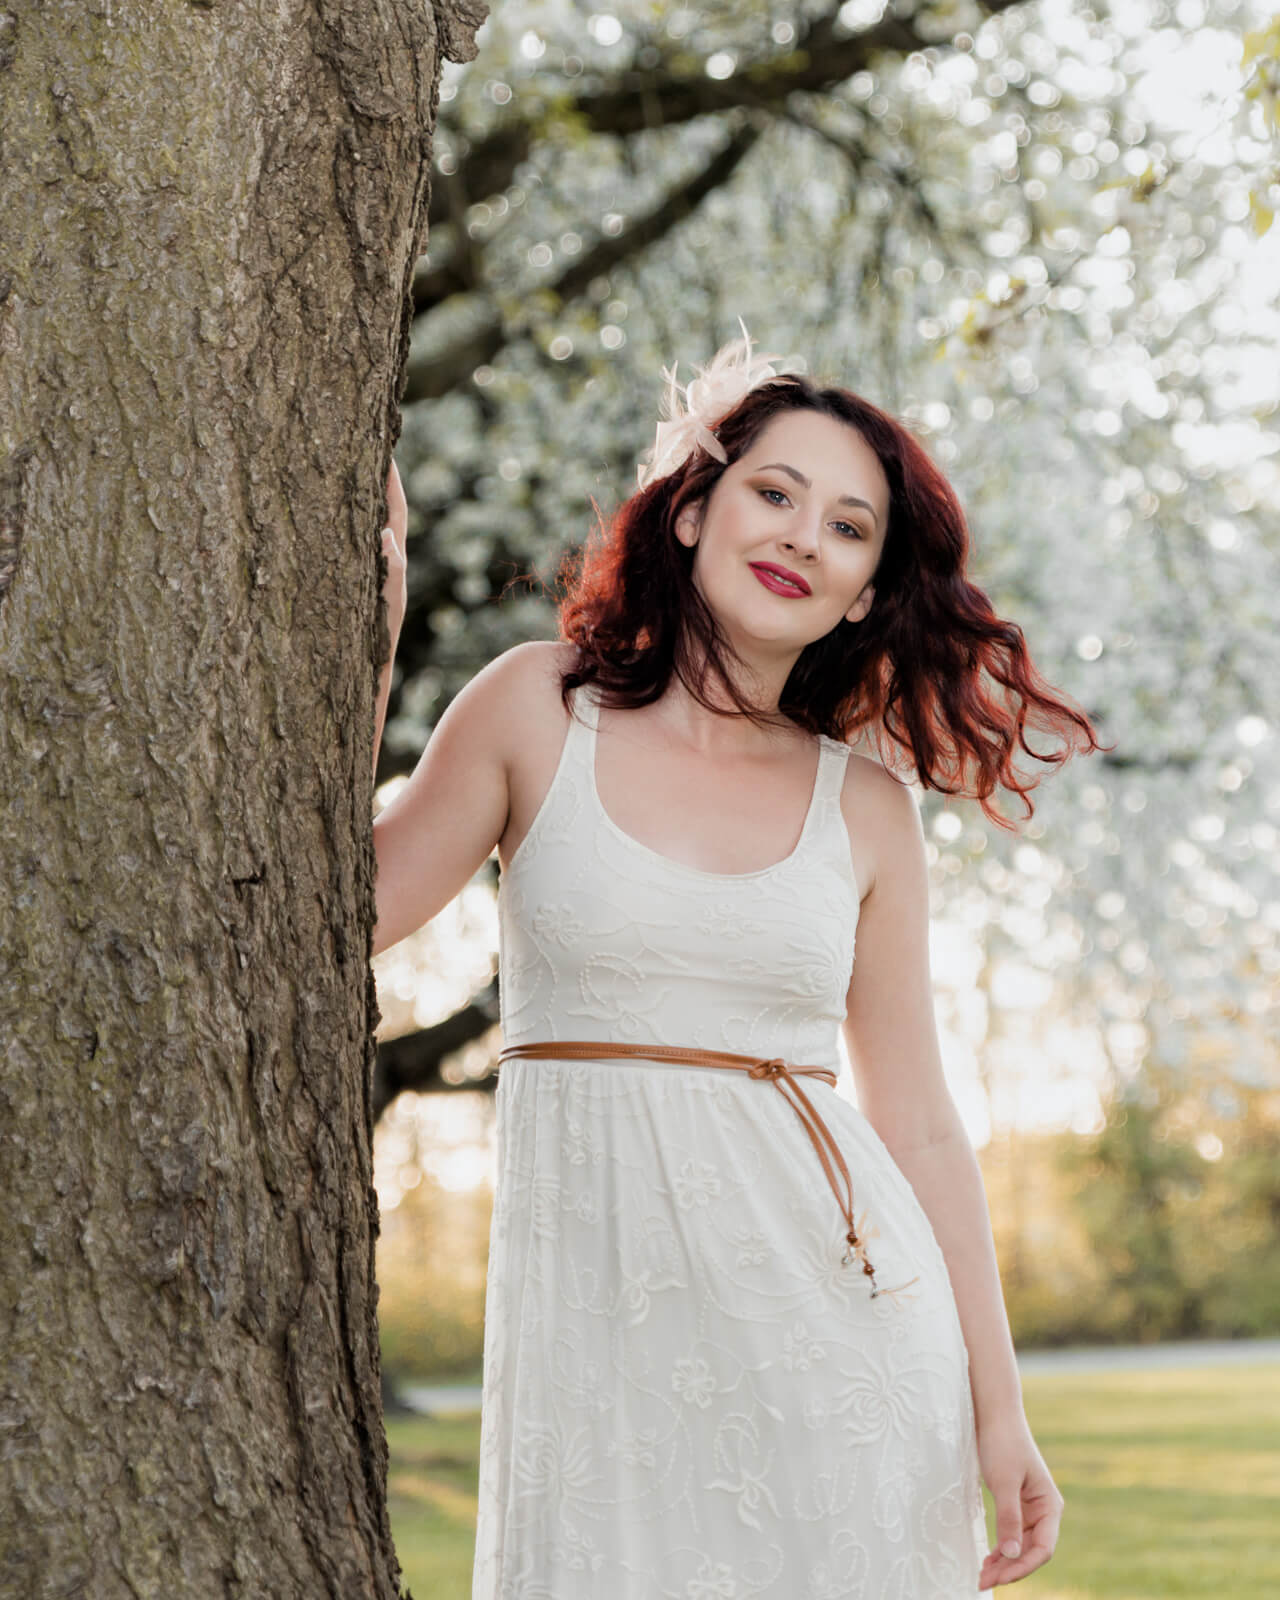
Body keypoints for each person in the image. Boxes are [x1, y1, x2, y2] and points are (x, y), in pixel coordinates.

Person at [372, 325, 1095, 1596]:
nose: (801, 535)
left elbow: (917, 1120)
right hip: (597, 1359)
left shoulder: (865, 808)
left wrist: (998, 1408)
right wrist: (370, 647)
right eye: (773, 492)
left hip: (850, 1344)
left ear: (864, 592)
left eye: (847, 526)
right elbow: (345, 913)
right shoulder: (535, 709)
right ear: (693, 511)